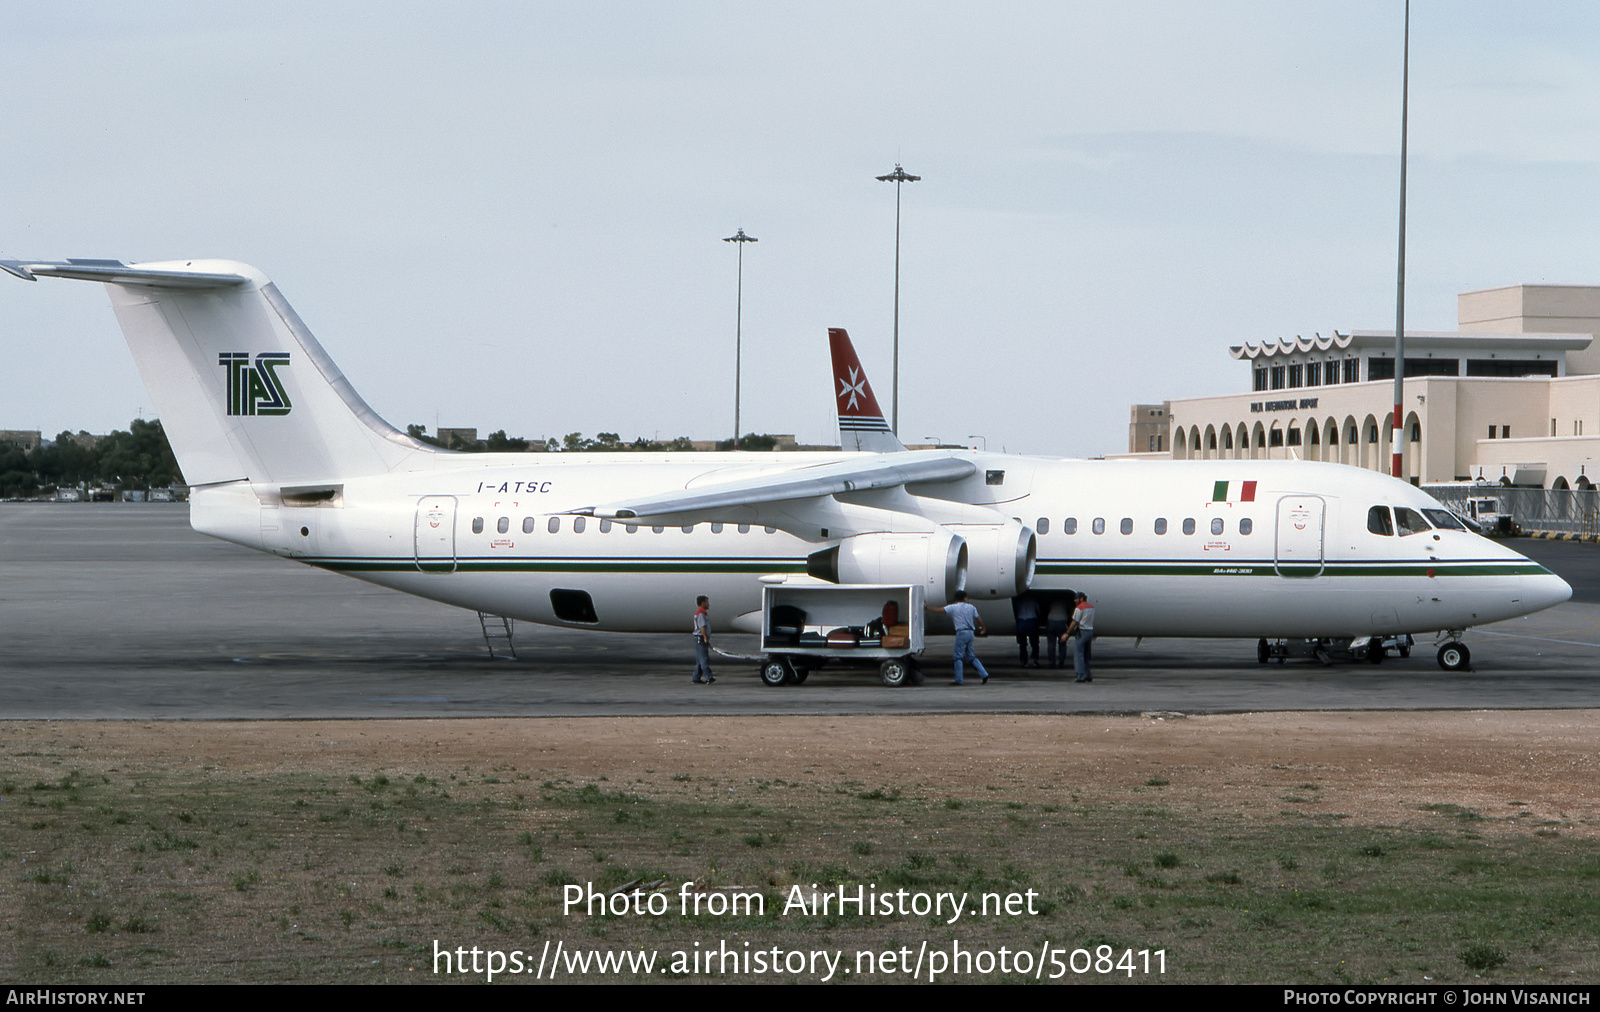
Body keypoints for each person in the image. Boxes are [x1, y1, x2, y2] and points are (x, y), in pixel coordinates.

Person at [927, 590, 990, 685]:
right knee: (971, 656)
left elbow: (940, 610)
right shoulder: (971, 607)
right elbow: (978, 619)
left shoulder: (953, 607)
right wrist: (983, 628)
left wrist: (927, 608)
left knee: (958, 657)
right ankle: (984, 674)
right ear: (964, 598)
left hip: (961, 633)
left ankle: (959, 680)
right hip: (970, 632)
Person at [1061, 592, 1095, 682]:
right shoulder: (1091, 607)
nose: (1074, 600)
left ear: (1081, 598)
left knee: (1078, 654)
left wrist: (1067, 633)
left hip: (1082, 632)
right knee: (1086, 655)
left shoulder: (1079, 608)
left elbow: (1074, 622)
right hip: (1089, 631)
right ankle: (1088, 674)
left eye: (1076, 598)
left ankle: (1081, 676)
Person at [691, 596, 715, 684]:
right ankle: (709, 677)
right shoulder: (701, 614)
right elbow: (702, 627)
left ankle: (696, 678)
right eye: (707, 602)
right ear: (702, 603)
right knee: (704, 659)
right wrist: (705, 637)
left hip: (699, 638)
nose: (708, 604)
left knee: (699, 660)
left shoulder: (702, 613)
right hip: (700, 638)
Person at [1013, 593, 1041, 667]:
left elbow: (1016, 611)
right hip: (1032, 620)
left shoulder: (1019, 601)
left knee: (1022, 644)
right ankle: (1035, 660)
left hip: (1021, 621)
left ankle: (1024, 661)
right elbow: (1038, 611)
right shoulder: (1034, 601)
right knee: (1034, 643)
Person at [1045, 594, 1073, 669]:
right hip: (1061, 621)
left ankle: (1052, 662)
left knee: (1051, 644)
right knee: (1062, 643)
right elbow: (1069, 610)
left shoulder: (1052, 602)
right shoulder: (1065, 602)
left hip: (1051, 620)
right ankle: (1061, 662)